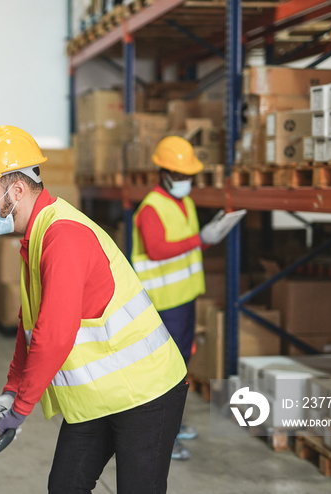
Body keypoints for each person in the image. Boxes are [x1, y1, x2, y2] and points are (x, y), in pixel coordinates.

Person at [0, 125, 189, 494]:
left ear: (16, 190)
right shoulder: (35, 238)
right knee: (66, 486)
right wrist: (11, 388)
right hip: (100, 396)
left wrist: (21, 409)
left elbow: (54, 336)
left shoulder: (63, 237)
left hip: (146, 393)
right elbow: (29, 325)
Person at [130, 136, 210, 460]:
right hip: (163, 304)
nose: (184, 181)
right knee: (162, 372)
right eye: (178, 175)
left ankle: (172, 425)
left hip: (185, 298)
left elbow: (187, 244)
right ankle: (161, 436)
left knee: (180, 367)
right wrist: (199, 239)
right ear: (162, 173)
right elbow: (157, 249)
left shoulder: (184, 202)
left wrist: (205, 238)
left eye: (188, 175)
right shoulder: (150, 208)